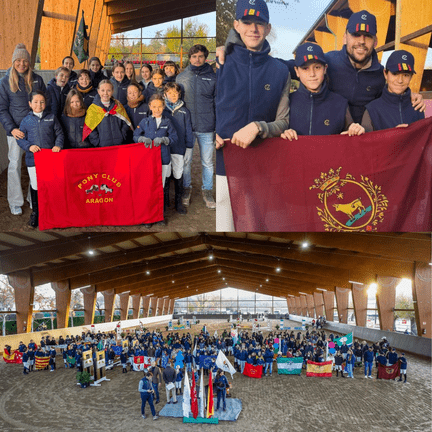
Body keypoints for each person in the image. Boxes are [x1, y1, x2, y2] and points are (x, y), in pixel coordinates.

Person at [215, 0, 291, 230]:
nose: (254, 29)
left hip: (262, 168)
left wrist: (259, 127)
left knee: (256, 230)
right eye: (247, 22)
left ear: (268, 28)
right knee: (224, 229)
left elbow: (284, 121)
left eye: (260, 23)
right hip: (224, 167)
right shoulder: (219, 62)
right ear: (236, 25)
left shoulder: (280, 71)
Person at [280, 42, 365, 141]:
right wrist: (283, 134)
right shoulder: (287, 102)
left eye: (317, 67)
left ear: (325, 69)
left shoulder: (340, 103)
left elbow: (350, 133)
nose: (312, 74)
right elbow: (276, 130)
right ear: (297, 71)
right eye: (305, 68)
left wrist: (355, 130)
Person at [0, 43, 47, 216]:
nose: (22, 64)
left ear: (29, 62)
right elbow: (2, 109)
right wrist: (12, 129)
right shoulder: (5, 82)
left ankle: (32, 198)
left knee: (35, 165)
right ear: (13, 62)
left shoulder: (37, 79)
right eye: (18, 60)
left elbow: (43, 103)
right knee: (14, 165)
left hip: (34, 131)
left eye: (25, 61)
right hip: (15, 133)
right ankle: (15, 201)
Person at [176, 44, 217, 209]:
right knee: (186, 161)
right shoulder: (181, 78)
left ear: (205, 57)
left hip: (207, 127)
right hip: (187, 128)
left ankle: (207, 190)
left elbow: (218, 103)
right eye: (194, 57)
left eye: (200, 56)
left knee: (207, 162)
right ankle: (186, 188)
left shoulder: (213, 78)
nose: (197, 59)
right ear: (189, 58)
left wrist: (218, 126)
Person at [17, 91, 64, 227]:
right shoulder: (26, 121)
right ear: (30, 104)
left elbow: (59, 133)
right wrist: (29, 146)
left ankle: (52, 211)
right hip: (34, 160)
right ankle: (36, 212)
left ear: (45, 103)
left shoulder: (52, 117)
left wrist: (58, 145)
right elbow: (20, 139)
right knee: (36, 185)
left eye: (42, 102)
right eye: (36, 102)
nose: (39, 104)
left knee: (51, 183)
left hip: (50, 159)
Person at [133, 94, 178, 227]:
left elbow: (174, 138)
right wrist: (141, 139)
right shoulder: (145, 122)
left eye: (160, 106)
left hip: (163, 159)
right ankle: (148, 217)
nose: (157, 109)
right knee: (149, 188)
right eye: (154, 106)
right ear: (150, 107)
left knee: (162, 188)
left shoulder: (167, 122)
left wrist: (165, 140)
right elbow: (135, 135)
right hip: (148, 160)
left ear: (163, 107)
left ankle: (159, 216)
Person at [362, 50, 425, 131]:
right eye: (395, 74)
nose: (400, 80)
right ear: (385, 74)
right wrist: (393, 136)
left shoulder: (418, 106)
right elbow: (366, 142)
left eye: (406, 75)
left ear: (411, 77)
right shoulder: (372, 110)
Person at [163, 82, 193, 215]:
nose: (173, 96)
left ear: (179, 94)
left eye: (175, 93)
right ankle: (165, 201)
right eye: (170, 93)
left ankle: (178, 202)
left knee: (178, 174)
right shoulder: (162, 110)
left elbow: (188, 131)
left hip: (179, 149)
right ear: (165, 94)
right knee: (166, 174)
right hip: (165, 149)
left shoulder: (184, 111)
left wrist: (189, 147)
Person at [84, 80, 132, 147]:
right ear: (98, 91)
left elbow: (126, 123)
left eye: (108, 90)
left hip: (119, 144)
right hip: (102, 147)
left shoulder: (118, 106)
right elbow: (90, 129)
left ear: (112, 91)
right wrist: (97, 142)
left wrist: (122, 136)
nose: (105, 93)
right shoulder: (92, 109)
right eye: (103, 90)